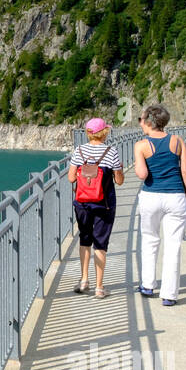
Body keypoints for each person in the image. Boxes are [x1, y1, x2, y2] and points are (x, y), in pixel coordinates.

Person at [132, 104, 186, 306]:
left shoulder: (141, 145)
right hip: (176, 196)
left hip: (151, 197)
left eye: (141, 120)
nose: (140, 124)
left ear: (149, 122)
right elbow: (185, 172)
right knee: (173, 245)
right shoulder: (177, 142)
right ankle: (169, 295)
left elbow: (142, 175)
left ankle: (148, 285)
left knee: (149, 239)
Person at [67, 117, 125, 298]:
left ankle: (84, 280)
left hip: (83, 204)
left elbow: (71, 178)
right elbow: (119, 181)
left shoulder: (79, 151)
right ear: (104, 132)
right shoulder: (111, 152)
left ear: (88, 133)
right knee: (101, 243)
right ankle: (99, 287)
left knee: (85, 239)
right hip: (104, 204)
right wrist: (119, 169)